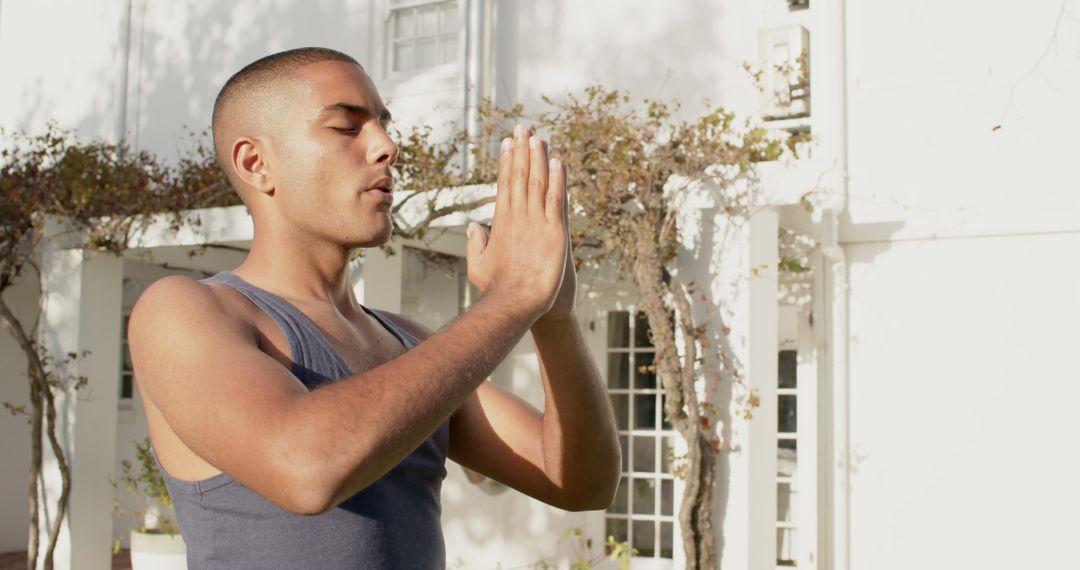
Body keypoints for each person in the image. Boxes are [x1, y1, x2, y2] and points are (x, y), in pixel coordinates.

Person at [127, 47, 621, 569]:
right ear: (257, 163)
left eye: (384, 125)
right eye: (346, 127)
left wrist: (554, 318)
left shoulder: (408, 342)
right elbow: (305, 469)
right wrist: (511, 300)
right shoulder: (186, 310)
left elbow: (580, 483)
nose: (388, 146)